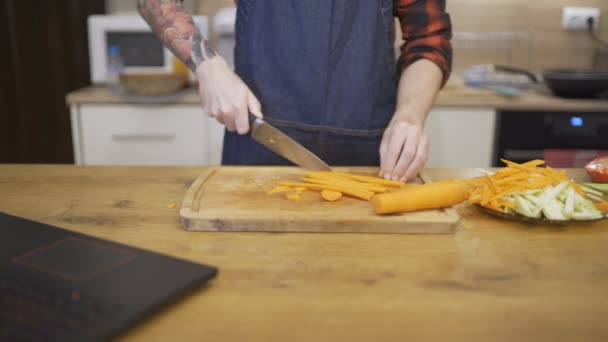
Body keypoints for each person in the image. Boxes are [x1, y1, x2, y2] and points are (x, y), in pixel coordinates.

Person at [138, 0, 452, 181]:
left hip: (373, 158)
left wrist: (409, 117)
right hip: (260, 140)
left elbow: (428, 38)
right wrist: (208, 67)